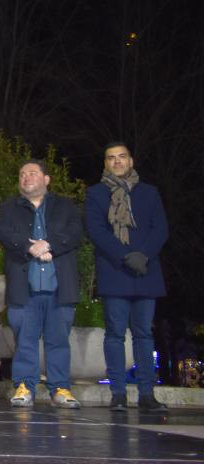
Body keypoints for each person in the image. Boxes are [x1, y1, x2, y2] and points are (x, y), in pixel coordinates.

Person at [84, 142, 169, 412]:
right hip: (115, 270)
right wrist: (124, 257)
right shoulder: (96, 194)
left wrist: (142, 256)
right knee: (115, 334)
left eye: (122, 157)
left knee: (144, 334)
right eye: (111, 158)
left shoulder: (150, 193)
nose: (117, 161)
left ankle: (147, 394)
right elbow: (96, 231)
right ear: (105, 164)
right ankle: (118, 393)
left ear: (131, 161)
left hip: (146, 269)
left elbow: (161, 228)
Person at [0, 159, 83, 409]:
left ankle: (61, 387)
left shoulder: (64, 207)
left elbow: (76, 233)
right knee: (25, 339)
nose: (26, 177)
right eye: (22, 174)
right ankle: (24, 385)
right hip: (25, 286)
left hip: (59, 286)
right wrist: (29, 247)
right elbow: (3, 232)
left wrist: (48, 244)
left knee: (58, 340)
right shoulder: (10, 208)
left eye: (32, 173)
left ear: (46, 179)